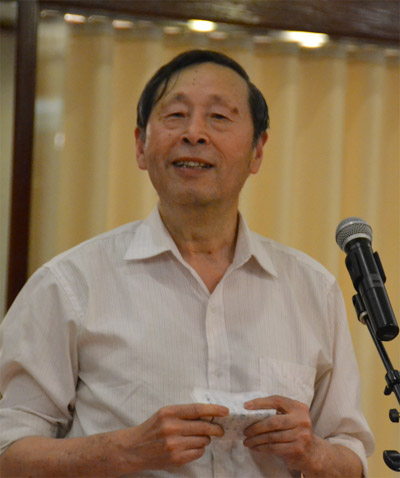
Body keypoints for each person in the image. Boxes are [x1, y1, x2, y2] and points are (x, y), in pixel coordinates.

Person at [0, 49, 374, 477]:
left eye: (219, 117)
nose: (194, 133)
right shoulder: (68, 285)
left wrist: (315, 454)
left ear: (257, 151)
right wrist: (126, 450)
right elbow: (8, 452)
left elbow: (351, 454)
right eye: (175, 115)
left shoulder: (312, 289)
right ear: (141, 146)